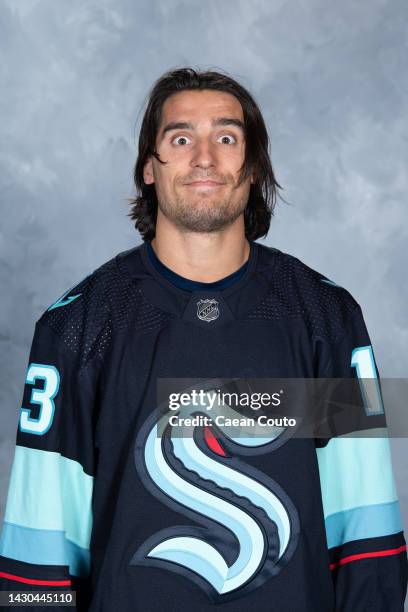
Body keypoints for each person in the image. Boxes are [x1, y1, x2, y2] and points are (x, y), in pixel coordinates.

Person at [0, 67, 406, 611]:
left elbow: (363, 523)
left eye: (227, 137)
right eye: (181, 138)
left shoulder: (326, 317)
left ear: (254, 166)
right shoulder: (77, 326)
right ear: (149, 166)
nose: (205, 158)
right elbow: (42, 542)